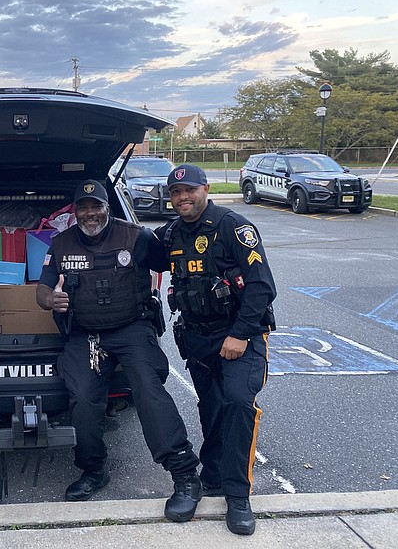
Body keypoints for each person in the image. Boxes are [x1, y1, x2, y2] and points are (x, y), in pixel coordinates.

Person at [36, 179, 203, 523]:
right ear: (75, 212)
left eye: (96, 206)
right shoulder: (61, 243)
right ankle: (94, 469)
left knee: (147, 387)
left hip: (131, 327)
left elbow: (176, 262)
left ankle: (185, 475)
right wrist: (50, 298)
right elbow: (42, 288)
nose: (90, 213)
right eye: (83, 207)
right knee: (82, 397)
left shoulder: (136, 237)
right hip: (86, 335)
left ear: (107, 207)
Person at [154, 164, 276, 536]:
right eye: (175, 193)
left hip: (242, 334)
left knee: (238, 403)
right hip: (198, 337)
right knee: (211, 407)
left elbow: (261, 286)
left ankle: (238, 496)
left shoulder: (233, 227)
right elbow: (138, 251)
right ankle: (214, 473)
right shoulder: (172, 233)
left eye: (188, 190)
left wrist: (240, 334)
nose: (182, 198)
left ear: (206, 189)